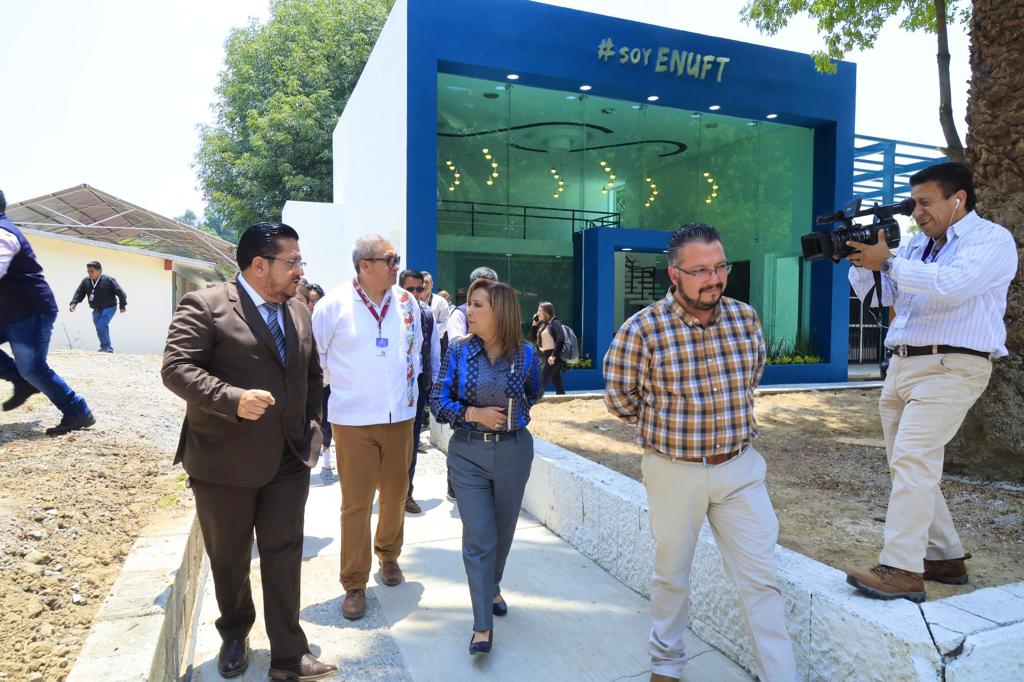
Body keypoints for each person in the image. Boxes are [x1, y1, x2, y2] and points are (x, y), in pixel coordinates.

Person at [604, 224, 797, 682]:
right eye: (701, 271)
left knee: (760, 580)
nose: (714, 279)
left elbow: (752, 377)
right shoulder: (643, 330)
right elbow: (619, 399)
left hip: (740, 468)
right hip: (674, 471)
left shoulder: (745, 319)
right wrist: (669, 429)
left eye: (720, 267)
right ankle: (666, 665)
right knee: (671, 576)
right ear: (675, 274)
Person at [161, 222, 336, 681]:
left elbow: (312, 374)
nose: (299, 270)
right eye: (292, 261)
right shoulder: (206, 305)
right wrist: (232, 399)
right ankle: (235, 632)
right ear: (260, 265)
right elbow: (176, 368)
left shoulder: (298, 310)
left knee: (285, 554)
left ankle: (289, 654)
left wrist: (314, 427)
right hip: (224, 463)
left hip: (289, 459)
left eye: (300, 261)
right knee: (230, 559)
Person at [844, 162, 1017, 603]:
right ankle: (944, 556)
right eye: (914, 203)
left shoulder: (990, 239)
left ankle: (902, 569)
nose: (917, 212)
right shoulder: (918, 246)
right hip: (903, 364)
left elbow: (953, 285)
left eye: (925, 202)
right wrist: (863, 263)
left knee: (913, 459)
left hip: (952, 364)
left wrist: (890, 262)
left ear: (958, 199)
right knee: (907, 464)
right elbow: (883, 296)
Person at [311, 235, 423, 622]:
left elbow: (415, 352)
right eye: (390, 259)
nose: (396, 266)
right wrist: (351, 388)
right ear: (365, 265)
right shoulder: (333, 305)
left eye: (396, 259)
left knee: (395, 494)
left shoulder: (407, 303)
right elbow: (317, 360)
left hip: (400, 418)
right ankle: (354, 582)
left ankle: (388, 556)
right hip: (353, 421)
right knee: (356, 504)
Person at [430, 279, 544, 655]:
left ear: (501, 312)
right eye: (469, 303)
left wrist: (512, 416)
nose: (469, 311)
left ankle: (491, 587)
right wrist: (472, 413)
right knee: (479, 537)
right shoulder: (459, 351)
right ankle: (482, 625)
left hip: (514, 452)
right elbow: (437, 400)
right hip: (467, 454)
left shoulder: (527, 355)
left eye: (478, 305)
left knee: (503, 532)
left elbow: (535, 392)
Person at [0, 190, 96, 436]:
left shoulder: (3, 233)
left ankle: (77, 411)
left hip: (29, 311)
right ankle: (20, 380)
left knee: (33, 368)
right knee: (27, 371)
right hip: (10, 312)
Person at [399, 269, 440, 514]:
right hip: (393, 385)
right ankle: (387, 489)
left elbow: (434, 350)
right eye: (410, 289)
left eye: (419, 289)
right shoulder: (390, 312)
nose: (415, 293)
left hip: (418, 385)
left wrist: (434, 382)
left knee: (411, 441)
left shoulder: (426, 313)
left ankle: (406, 493)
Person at [69, 261, 127, 353]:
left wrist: (122, 305)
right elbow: (79, 293)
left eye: (92, 271)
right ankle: (104, 347)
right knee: (99, 328)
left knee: (101, 325)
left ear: (99, 271)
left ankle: (107, 348)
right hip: (96, 309)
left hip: (109, 307)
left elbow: (121, 293)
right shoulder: (86, 281)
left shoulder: (109, 280)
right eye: (88, 271)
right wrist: (73, 303)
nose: (89, 273)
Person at [445, 266, 498, 341]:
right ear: (472, 287)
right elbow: (455, 344)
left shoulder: (500, 312)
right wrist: (472, 335)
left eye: (493, 287)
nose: (489, 291)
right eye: (483, 287)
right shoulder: (460, 313)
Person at [529, 301, 567, 395]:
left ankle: (533, 398)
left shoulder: (555, 322)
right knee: (558, 383)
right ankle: (561, 396)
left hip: (553, 356)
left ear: (546, 312)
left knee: (542, 379)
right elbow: (533, 338)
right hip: (547, 355)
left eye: (539, 310)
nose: (537, 313)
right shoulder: (544, 325)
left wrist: (553, 355)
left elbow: (560, 338)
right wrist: (534, 324)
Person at [422, 271, 451, 357]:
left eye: (426, 282)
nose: (424, 285)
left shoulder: (440, 301)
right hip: (417, 343)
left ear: (432, 284)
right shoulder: (413, 300)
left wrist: (428, 332)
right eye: (422, 282)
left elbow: (446, 323)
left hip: (436, 342)